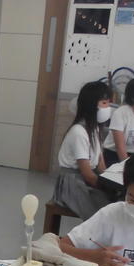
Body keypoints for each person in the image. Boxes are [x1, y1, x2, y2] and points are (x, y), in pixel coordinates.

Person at [54, 80, 117, 220]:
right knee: (103, 212)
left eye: (108, 103)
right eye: (104, 103)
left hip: (85, 179)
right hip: (72, 183)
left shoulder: (95, 129)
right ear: (91, 105)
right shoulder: (79, 131)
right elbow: (87, 174)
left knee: (115, 201)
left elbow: (100, 164)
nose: (108, 108)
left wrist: (110, 181)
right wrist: (106, 187)